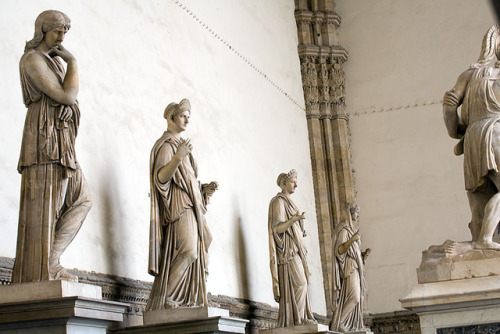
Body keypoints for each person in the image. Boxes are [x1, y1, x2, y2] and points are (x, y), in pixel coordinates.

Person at [12, 10, 92, 283]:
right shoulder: (32, 59)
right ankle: (42, 269)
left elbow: (70, 102)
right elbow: (65, 95)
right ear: (42, 30)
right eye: (57, 31)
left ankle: (51, 259)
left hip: (61, 139)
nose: (61, 37)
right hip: (43, 137)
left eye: (64, 32)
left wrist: (71, 109)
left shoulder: (52, 61)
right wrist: (73, 62)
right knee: (47, 204)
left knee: (82, 199)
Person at [147, 99, 218, 310]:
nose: (187, 120)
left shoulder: (182, 146)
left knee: (201, 245)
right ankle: (167, 297)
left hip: (191, 205)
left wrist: (203, 191)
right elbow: (160, 177)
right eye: (183, 115)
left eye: (189, 117)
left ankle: (187, 298)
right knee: (189, 251)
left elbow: (189, 181)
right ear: (171, 117)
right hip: (179, 206)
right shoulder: (167, 145)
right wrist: (178, 157)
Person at [443, 25, 500, 250]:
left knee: (480, 199)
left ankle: (477, 246)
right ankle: (486, 240)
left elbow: (449, 106)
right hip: (496, 130)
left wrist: (454, 128)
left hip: (473, 138)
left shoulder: (469, 75)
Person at [268, 170, 316, 327]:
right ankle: (296, 320)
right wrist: (294, 219)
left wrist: (299, 229)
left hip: (296, 250)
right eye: (293, 181)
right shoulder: (279, 202)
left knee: (304, 283)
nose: (296, 184)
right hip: (287, 252)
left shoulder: (290, 203)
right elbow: (277, 229)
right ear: (284, 183)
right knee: (300, 284)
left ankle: (300, 318)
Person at [330, 203, 369, 332]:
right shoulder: (344, 230)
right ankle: (340, 323)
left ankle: (352, 325)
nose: (357, 215)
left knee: (359, 298)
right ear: (349, 212)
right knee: (354, 297)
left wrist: (362, 255)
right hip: (349, 268)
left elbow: (353, 251)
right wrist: (352, 239)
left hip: (356, 267)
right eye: (356, 212)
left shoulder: (351, 230)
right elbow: (339, 250)